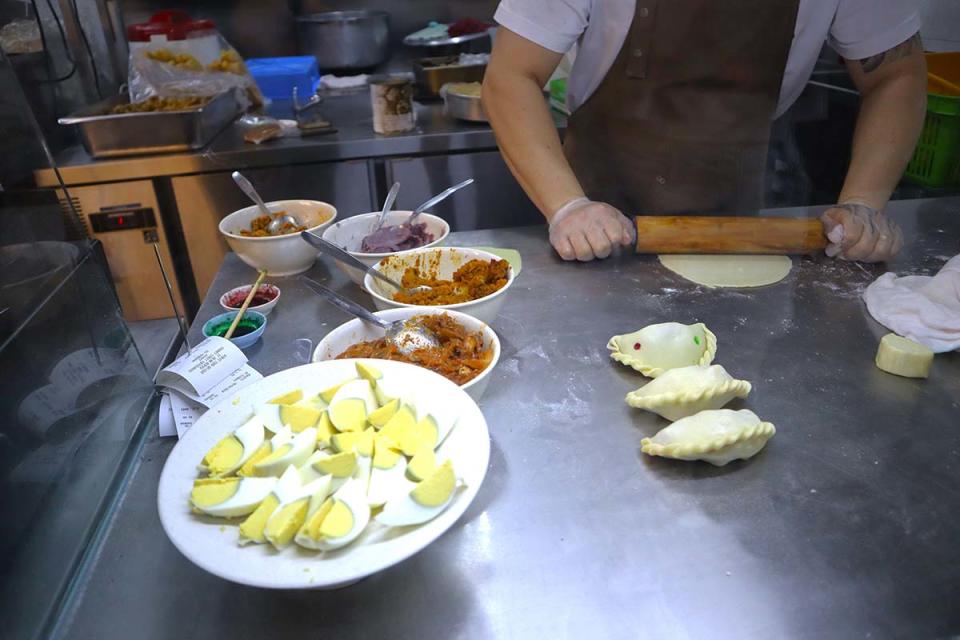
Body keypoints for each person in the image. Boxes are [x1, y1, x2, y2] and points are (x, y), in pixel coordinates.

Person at [482, 1, 927, 263]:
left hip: (742, 216)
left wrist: (864, 202)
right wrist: (568, 207)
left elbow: (896, 77)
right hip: (594, 209)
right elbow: (511, 76)